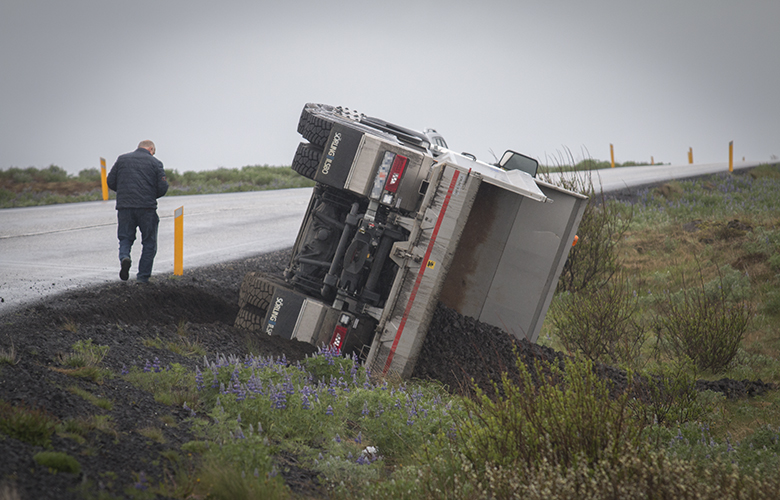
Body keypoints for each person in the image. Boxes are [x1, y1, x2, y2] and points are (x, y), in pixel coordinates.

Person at [107, 140, 169, 283]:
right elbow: (163, 187)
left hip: (124, 207)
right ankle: (142, 278)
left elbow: (110, 181)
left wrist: (124, 192)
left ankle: (124, 258)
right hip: (147, 208)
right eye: (153, 152)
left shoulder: (122, 159)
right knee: (149, 242)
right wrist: (151, 195)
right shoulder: (155, 163)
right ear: (151, 149)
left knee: (125, 238)